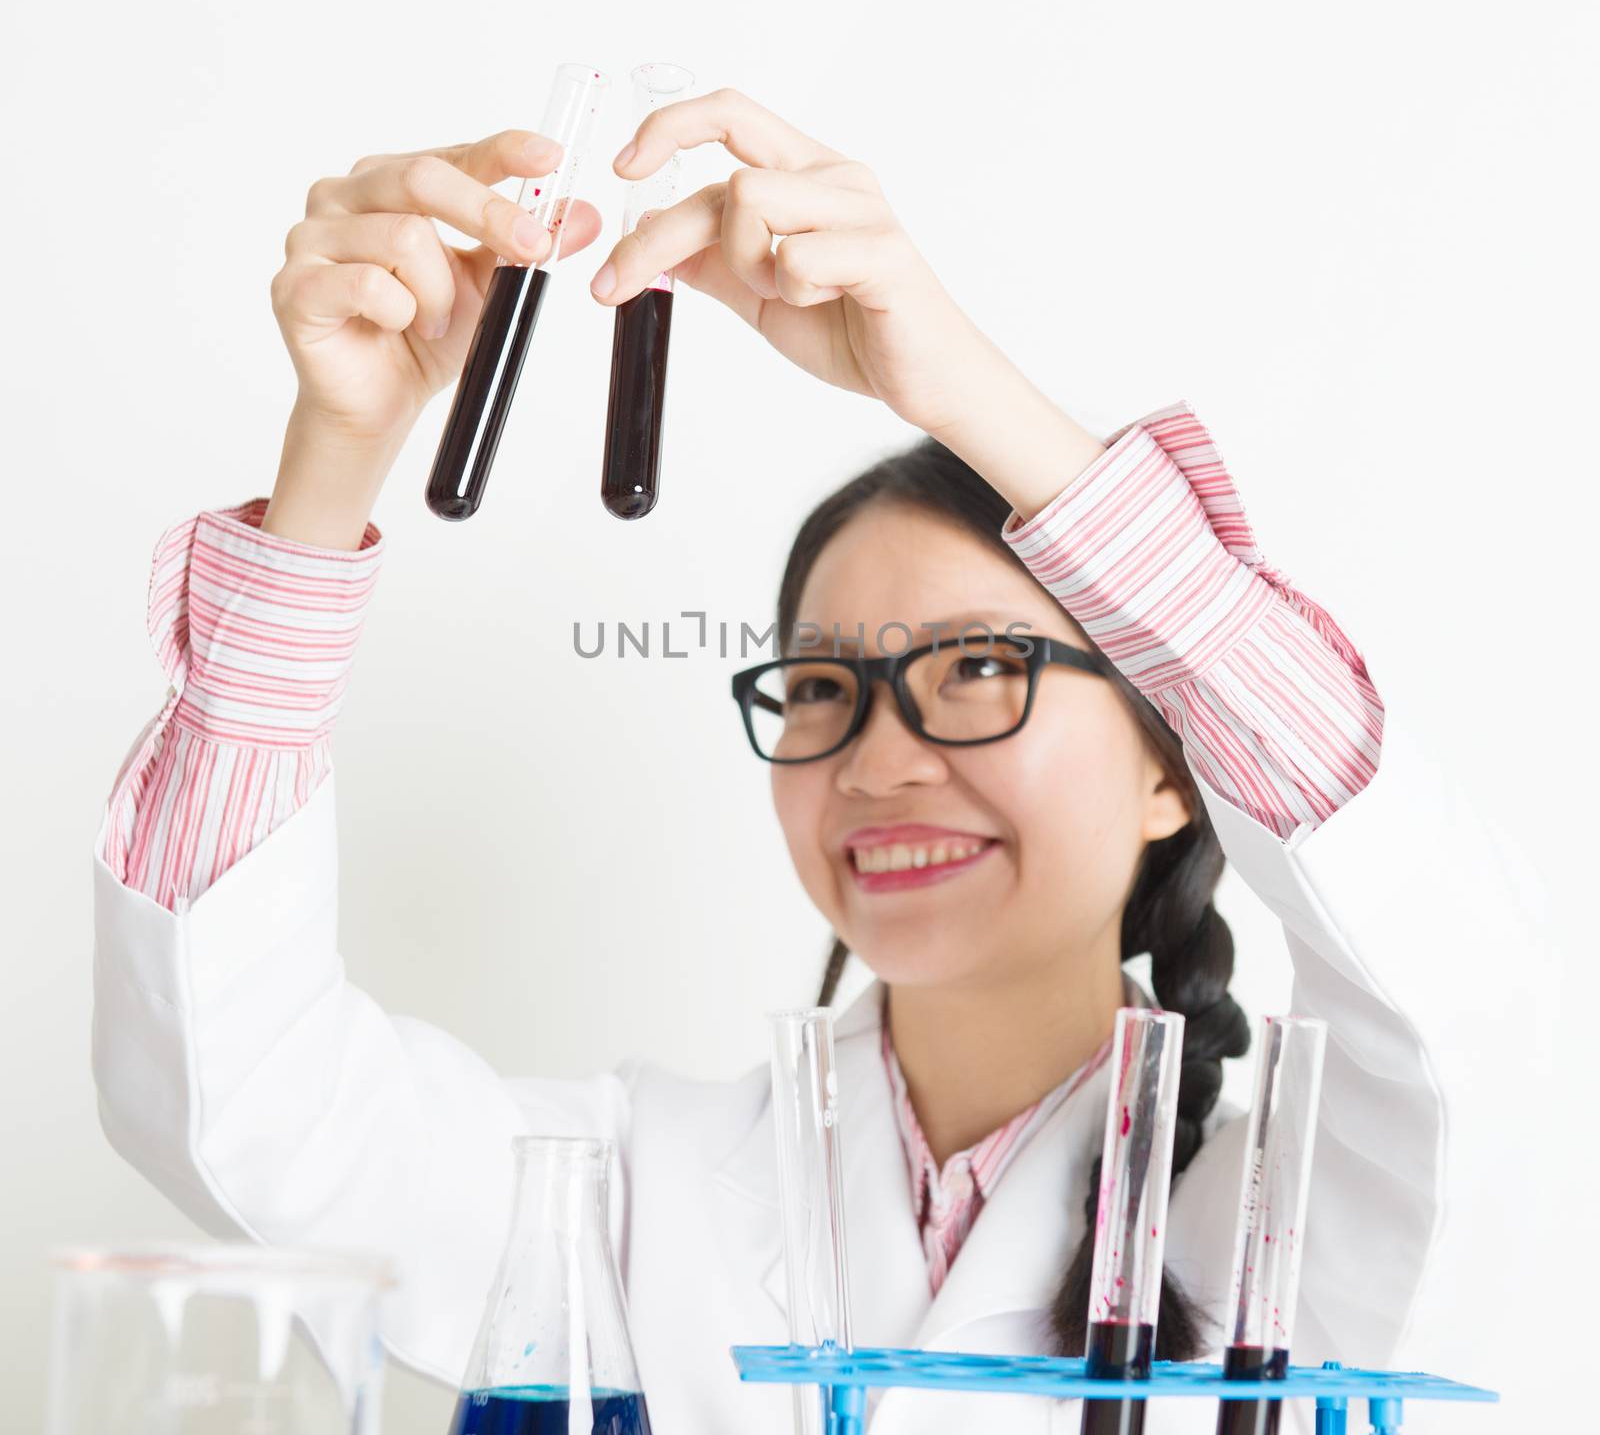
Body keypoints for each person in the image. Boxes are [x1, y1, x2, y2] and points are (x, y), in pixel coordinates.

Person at [91, 89, 1507, 1435]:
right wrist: (335, 460)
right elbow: (247, 1106)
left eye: (977, 671)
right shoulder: (633, 1192)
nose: (881, 759)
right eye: (825, 684)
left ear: (1172, 767)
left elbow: (1431, 977)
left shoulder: (1289, 1210)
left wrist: (960, 385)